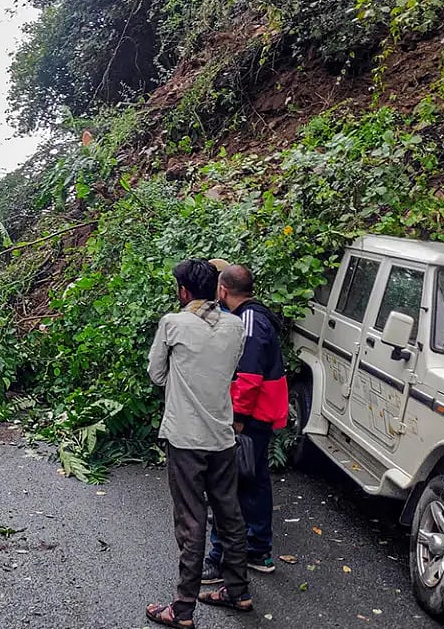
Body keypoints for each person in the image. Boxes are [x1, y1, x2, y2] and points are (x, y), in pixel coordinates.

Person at [144, 259, 254, 628]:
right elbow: (232, 369)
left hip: (186, 438)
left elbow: (157, 375)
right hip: (222, 436)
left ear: (184, 292)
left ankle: (183, 608)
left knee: (191, 521)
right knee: (230, 514)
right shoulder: (235, 326)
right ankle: (238, 592)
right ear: (218, 289)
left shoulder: (173, 324)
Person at [202, 264, 288, 582]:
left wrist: (236, 418)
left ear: (223, 290)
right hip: (260, 414)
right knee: (253, 480)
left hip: (251, 416)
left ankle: (219, 559)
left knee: (228, 484)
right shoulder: (252, 315)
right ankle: (257, 551)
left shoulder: (249, 322)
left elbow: (249, 377)